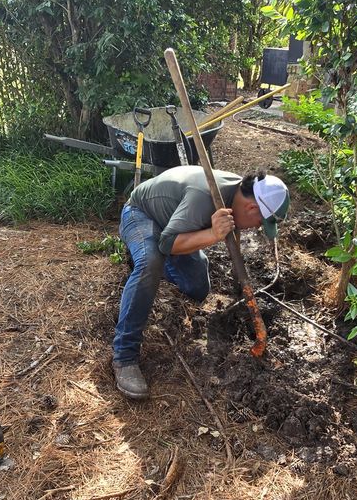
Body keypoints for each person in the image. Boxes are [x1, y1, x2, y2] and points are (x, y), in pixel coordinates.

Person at [112, 166, 290, 400]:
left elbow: (228, 231)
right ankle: (124, 356)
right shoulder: (204, 196)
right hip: (141, 215)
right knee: (150, 262)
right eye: (260, 222)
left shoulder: (238, 195)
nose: (257, 227)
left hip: (177, 225)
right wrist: (213, 234)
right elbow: (167, 244)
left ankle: (151, 260)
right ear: (251, 208)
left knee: (198, 288)